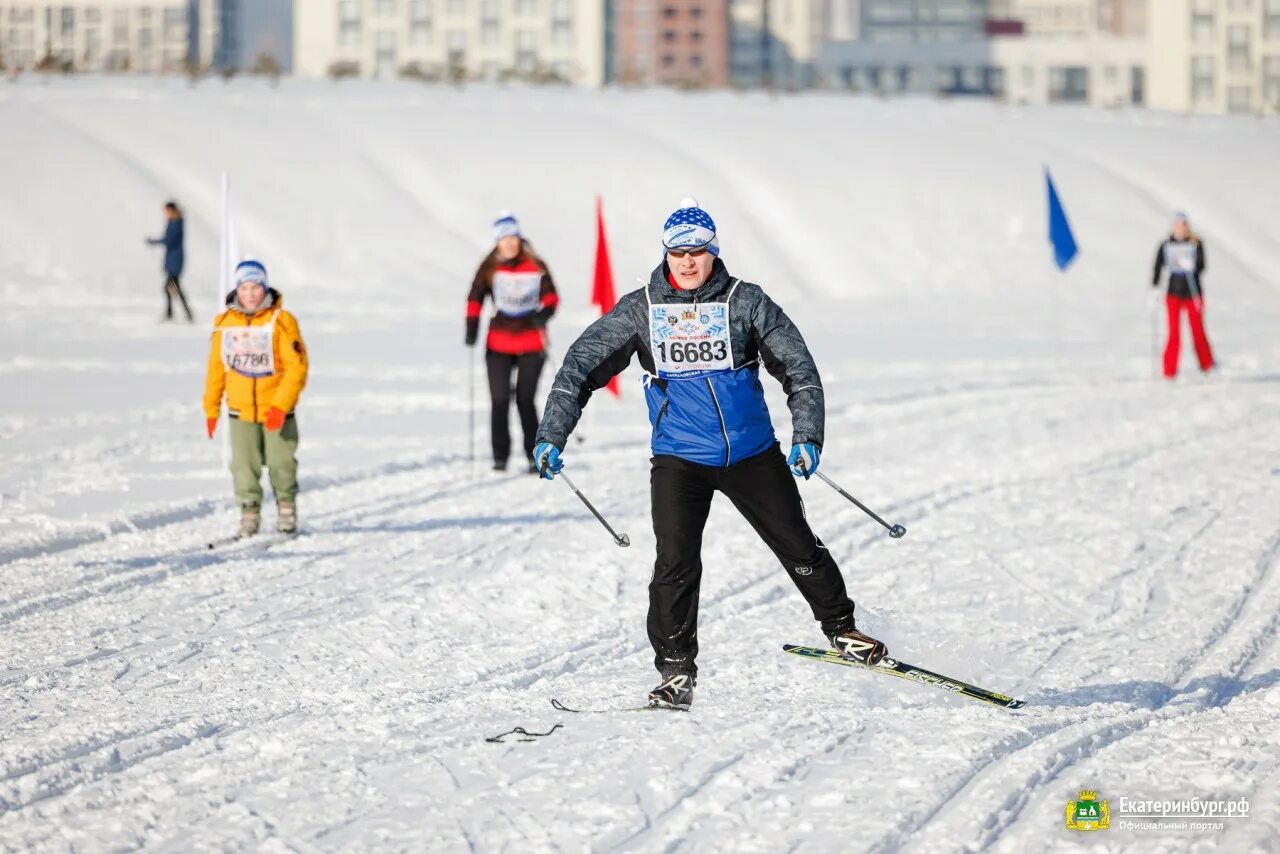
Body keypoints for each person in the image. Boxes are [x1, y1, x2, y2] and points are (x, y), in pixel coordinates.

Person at [531, 198, 885, 709]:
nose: (688, 262)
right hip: (680, 457)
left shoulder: (746, 302)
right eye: (678, 253)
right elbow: (580, 367)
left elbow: (799, 368)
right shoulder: (642, 309)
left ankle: (843, 629)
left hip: (751, 453)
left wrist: (807, 435)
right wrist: (552, 433)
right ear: (666, 255)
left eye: (698, 252)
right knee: (674, 563)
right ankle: (676, 671)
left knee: (797, 545)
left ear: (714, 254)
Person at [203, 260, 309, 537]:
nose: (250, 294)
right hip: (240, 411)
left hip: (276, 411)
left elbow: (296, 368)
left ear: (265, 288)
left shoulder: (281, 322)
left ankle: (286, 508)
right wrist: (211, 408)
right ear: (237, 290)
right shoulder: (224, 324)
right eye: (245, 287)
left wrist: (280, 405)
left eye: (255, 287)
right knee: (243, 466)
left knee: (281, 462)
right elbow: (216, 369)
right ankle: (249, 514)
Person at [466, 212, 559, 473]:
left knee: (525, 400)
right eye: (504, 239)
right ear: (497, 242)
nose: (509, 244)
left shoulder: (535, 265)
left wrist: (544, 314)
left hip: (531, 343)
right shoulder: (490, 267)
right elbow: (474, 297)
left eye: (513, 238)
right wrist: (471, 326)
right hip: (498, 344)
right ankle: (500, 457)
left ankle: (534, 455)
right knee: (499, 401)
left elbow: (552, 297)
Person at [1152, 212, 1215, 379]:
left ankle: (1207, 365)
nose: (1181, 228)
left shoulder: (1196, 243)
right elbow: (1158, 266)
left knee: (1198, 330)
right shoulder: (1166, 244)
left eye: (1183, 225)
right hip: (1173, 292)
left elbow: (1202, 266)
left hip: (1193, 292)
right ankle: (1169, 371)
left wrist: (1192, 266)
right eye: (1178, 225)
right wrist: (1155, 287)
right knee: (1173, 333)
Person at [147, 200, 194, 322]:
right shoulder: (173, 222)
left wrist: (154, 242)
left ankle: (176, 313)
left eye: (166, 211)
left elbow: (170, 240)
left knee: (171, 287)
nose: (165, 213)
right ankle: (179, 313)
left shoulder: (176, 223)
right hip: (172, 260)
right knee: (172, 288)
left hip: (175, 260)